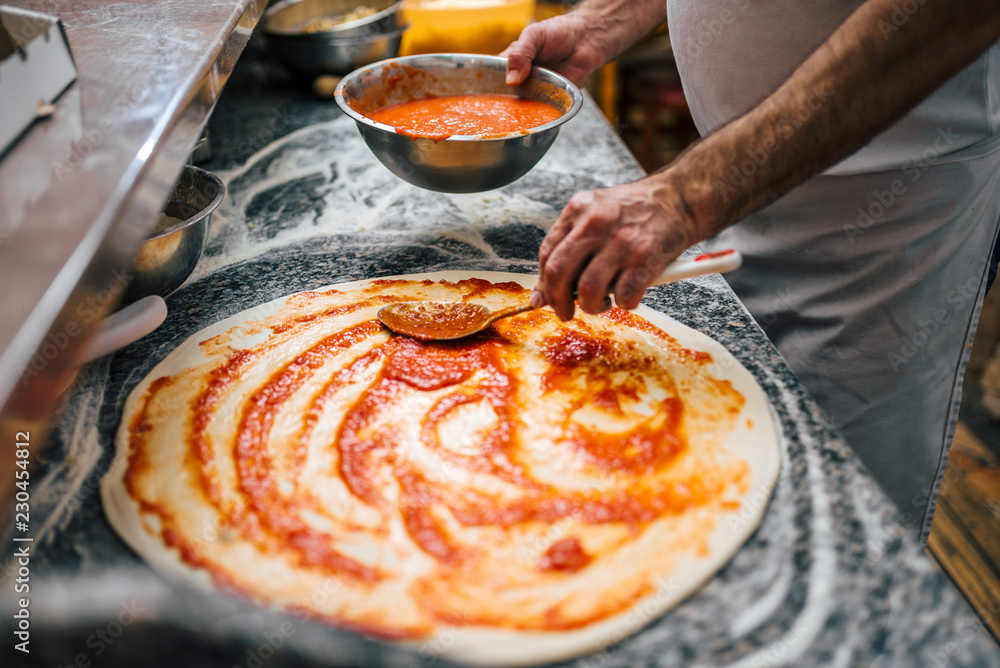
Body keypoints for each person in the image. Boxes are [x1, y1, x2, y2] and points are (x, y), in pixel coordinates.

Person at [503, 0, 1000, 542]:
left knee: (834, 519)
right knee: (700, 477)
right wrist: (606, 17)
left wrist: (688, 197)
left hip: (884, 201)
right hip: (733, 173)